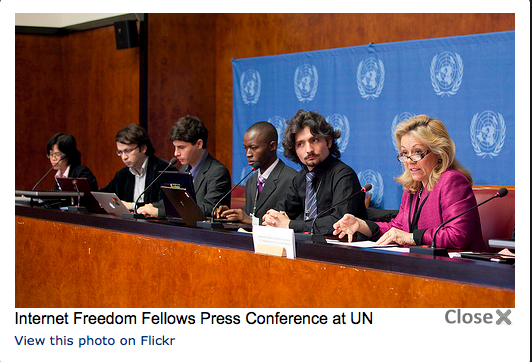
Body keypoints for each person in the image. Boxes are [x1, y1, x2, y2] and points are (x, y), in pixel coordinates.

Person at [333, 115, 487, 252]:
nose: (408, 161)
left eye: (417, 152)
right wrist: (361, 225)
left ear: (439, 152)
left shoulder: (452, 181)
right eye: (405, 153)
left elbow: (457, 236)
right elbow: (399, 229)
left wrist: (410, 238)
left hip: (460, 271)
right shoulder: (413, 187)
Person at [262, 110, 367, 234]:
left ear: (328, 142)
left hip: (342, 248)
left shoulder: (344, 175)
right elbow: (282, 210)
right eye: (300, 144)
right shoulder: (301, 178)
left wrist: (290, 224)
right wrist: (272, 217)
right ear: (295, 150)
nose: (308, 150)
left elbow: (339, 222)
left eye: (314, 140)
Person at [137, 115, 231, 218]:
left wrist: (159, 212)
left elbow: (208, 209)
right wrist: (151, 206)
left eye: (181, 147)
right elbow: (174, 201)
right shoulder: (184, 168)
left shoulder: (218, 172)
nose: (176, 153)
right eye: (175, 147)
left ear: (199, 144)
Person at [214, 122, 297, 224]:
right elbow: (248, 217)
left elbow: (291, 223)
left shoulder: (292, 180)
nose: (248, 154)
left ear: (272, 146)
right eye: (246, 148)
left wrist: (252, 221)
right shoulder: (251, 180)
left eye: (253, 148)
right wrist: (231, 215)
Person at [99, 124, 176, 210]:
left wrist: (132, 206)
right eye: (120, 152)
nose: (124, 157)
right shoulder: (122, 174)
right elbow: (105, 193)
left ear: (143, 148)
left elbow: (166, 205)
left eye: (128, 151)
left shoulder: (164, 170)